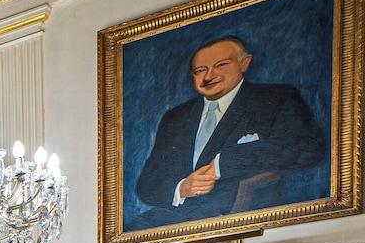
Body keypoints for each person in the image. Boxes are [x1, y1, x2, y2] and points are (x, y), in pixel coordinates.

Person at [133, 34, 325, 221]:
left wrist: (221, 164)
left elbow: (308, 150)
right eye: (200, 70)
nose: (209, 76)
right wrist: (182, 188)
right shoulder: (175, 117)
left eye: (221, 65)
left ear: (245, 63)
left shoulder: (277, 99)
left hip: (248, 221)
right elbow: (147, 185)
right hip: (174, 226)